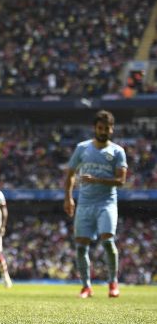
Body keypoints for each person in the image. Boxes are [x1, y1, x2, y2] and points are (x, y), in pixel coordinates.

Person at [64, 110, 127, 299]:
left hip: (107, 203)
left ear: (112, 129)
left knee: (107, 241)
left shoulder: (117, 151)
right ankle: (86, 287)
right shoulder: (82, 148)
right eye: (100, 128)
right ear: (95, 128)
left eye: (107, 128)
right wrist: (68, 197)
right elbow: (70, 175)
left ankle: (113, 283)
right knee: (81, 247)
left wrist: (97, 179)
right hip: (84, 204)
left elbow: (121, 180)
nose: (103, 131)